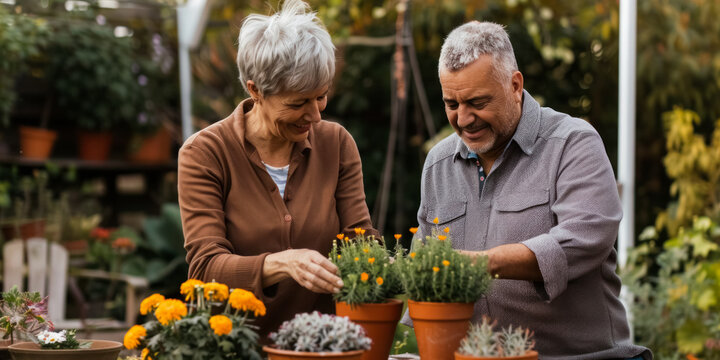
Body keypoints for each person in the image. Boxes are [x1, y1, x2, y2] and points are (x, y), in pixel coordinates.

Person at [412, 21, 651, 359]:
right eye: (452, 104)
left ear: (515, 85)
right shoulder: (438, 164)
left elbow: (585, 237)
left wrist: (481, 263)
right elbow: (422, 263)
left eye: (477, 102)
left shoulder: (573, 143)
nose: (464, 119)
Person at [177, 0, 376, 338]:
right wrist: (283, 263)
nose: (315, 116)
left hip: (326, 346)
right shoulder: (206, 154)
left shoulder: (336, 144)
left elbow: (361, 245)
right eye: (297, 103)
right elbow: (205, 269)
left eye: (321, 97)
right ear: (255, 90)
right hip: (237, 347)